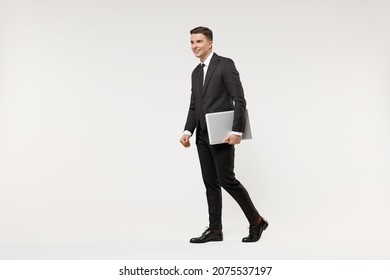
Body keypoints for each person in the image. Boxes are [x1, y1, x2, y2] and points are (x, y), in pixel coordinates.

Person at [180, 26, 268, 243]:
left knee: (227, 180)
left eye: (199, 42)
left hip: (222, 134)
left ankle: (256, 221)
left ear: (210, 43)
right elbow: (194, 106)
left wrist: (237, 131)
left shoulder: (225, 65)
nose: (194, 46)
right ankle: (215, 230)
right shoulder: (195, 72)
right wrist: (187, 131)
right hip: (201, 134)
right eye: (192, 42)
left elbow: (239, 99)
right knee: (210, 182)